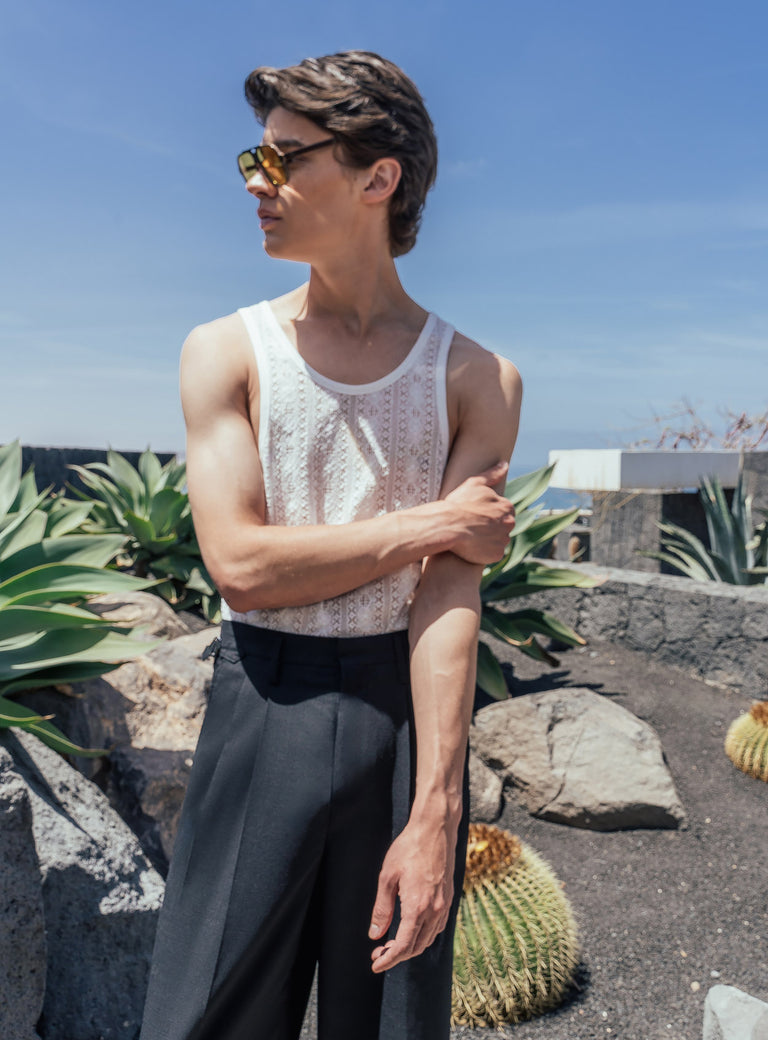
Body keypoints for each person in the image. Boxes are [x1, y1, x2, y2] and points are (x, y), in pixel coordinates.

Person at [139, 50, 522, 1040]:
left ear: (377, 177)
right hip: (261, 703)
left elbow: (446, 600)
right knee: (204, 1018)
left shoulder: (478, 378)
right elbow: (243, 568)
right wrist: (435, 522)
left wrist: (436, 810)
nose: (258, 186)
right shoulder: (225, 351)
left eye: (283, 160)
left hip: (405, 716)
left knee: (392, 1024)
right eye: (252, 161)